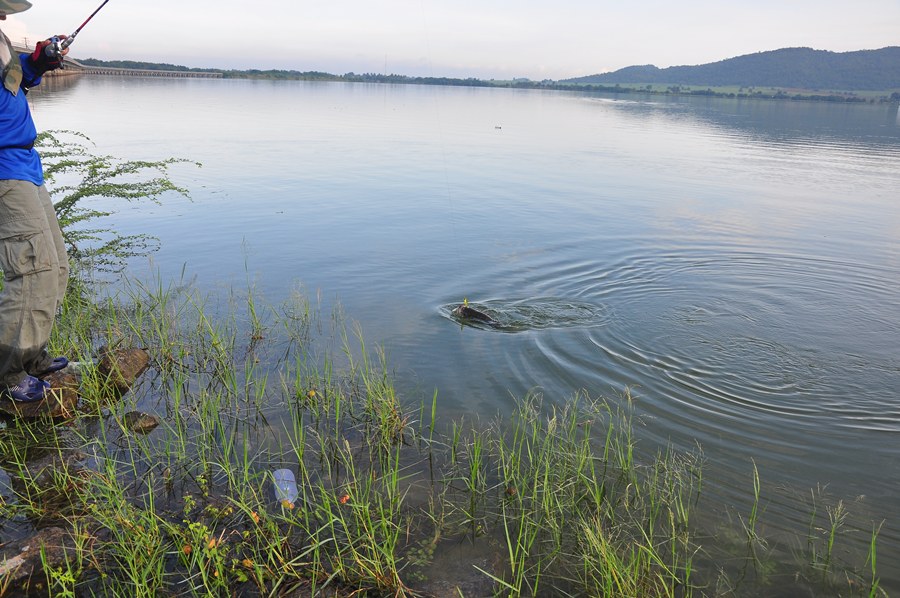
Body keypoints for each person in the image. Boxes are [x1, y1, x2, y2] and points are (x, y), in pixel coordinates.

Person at [0, 0, 70, 402]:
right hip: (5, 168)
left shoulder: (1, 37)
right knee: (31, 272)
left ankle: (31, 355)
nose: (7, 15)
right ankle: (7, 375)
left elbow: (13, 81)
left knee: (55, 266)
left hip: (25, 163)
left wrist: (40, 61)